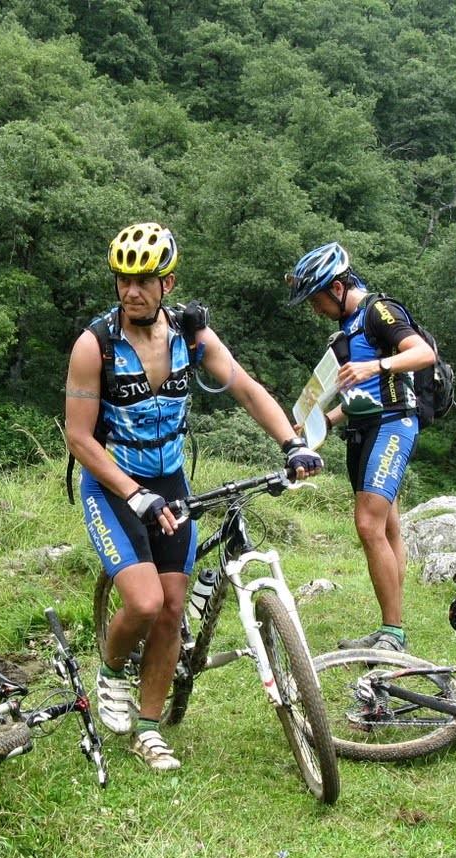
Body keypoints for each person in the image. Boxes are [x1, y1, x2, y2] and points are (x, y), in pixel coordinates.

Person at [65, 222, 323, 771]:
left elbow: (246, 389)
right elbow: (80, 439)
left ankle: (149, 729)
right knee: (144, 602)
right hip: (112, 486)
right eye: (123, 280)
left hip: (172, 484)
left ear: (168, 283)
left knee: (171, 609)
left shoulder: (190, 335)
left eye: (144, 280)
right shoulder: (95, 345)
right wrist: (135, 494)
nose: (132, 291)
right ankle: (110, 670)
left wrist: (292, 444)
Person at [285, 242, 437, 655]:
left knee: (369, 525)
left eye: (315, 299)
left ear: (336, 288)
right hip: (363, 428)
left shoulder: (378, 311)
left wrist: (376, 364)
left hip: (393, 424)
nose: (314, 309)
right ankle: (391, 628)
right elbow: (359, 395)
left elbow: (423, 354)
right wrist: (322, 421)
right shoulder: (346, 329)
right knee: (387, 527)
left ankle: (393, 633)